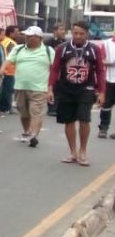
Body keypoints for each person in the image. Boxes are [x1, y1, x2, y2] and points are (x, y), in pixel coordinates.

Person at [49, 22, 106, 166]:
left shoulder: (94, 49)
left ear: (87, 34)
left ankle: (83, 151)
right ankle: (73, 152)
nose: (78, 36)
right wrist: (50, 88)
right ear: (71, 33)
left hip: (86, 88)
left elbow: (100, 70)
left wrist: (102, 92)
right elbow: (55, 69)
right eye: (75, 33)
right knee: (69, 120)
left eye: (81, 33)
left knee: (84, 119)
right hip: (66, 88)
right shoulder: (62, 49)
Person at [8, 26, 55, 148]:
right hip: (20, 86)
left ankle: (34, 135)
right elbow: (8, 61)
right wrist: (2, 69)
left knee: (36, 113)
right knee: (24, 113)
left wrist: (51, 88)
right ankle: (27, 131)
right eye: (26, 36)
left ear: (39, 38)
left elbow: (55, 70)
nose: (27, 38)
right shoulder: (18, 49)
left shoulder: (48, 51)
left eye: (30, 36)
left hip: (39, 88)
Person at [0, 26, 18, 115]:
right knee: (8, 90)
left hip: (4, 69)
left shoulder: (3, 41)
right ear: (11, 33)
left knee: (2, 90)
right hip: (9, 70)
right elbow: (12, 57)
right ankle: (6, 108)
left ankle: (1, 107)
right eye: (17, 32)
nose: (18, 34)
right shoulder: (11, 43)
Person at [98, 31, 115, 139]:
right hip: (109, 79)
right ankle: (103, 128)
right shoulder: (106, 43)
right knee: (106, 106)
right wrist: (111, 63)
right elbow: (100, 60)